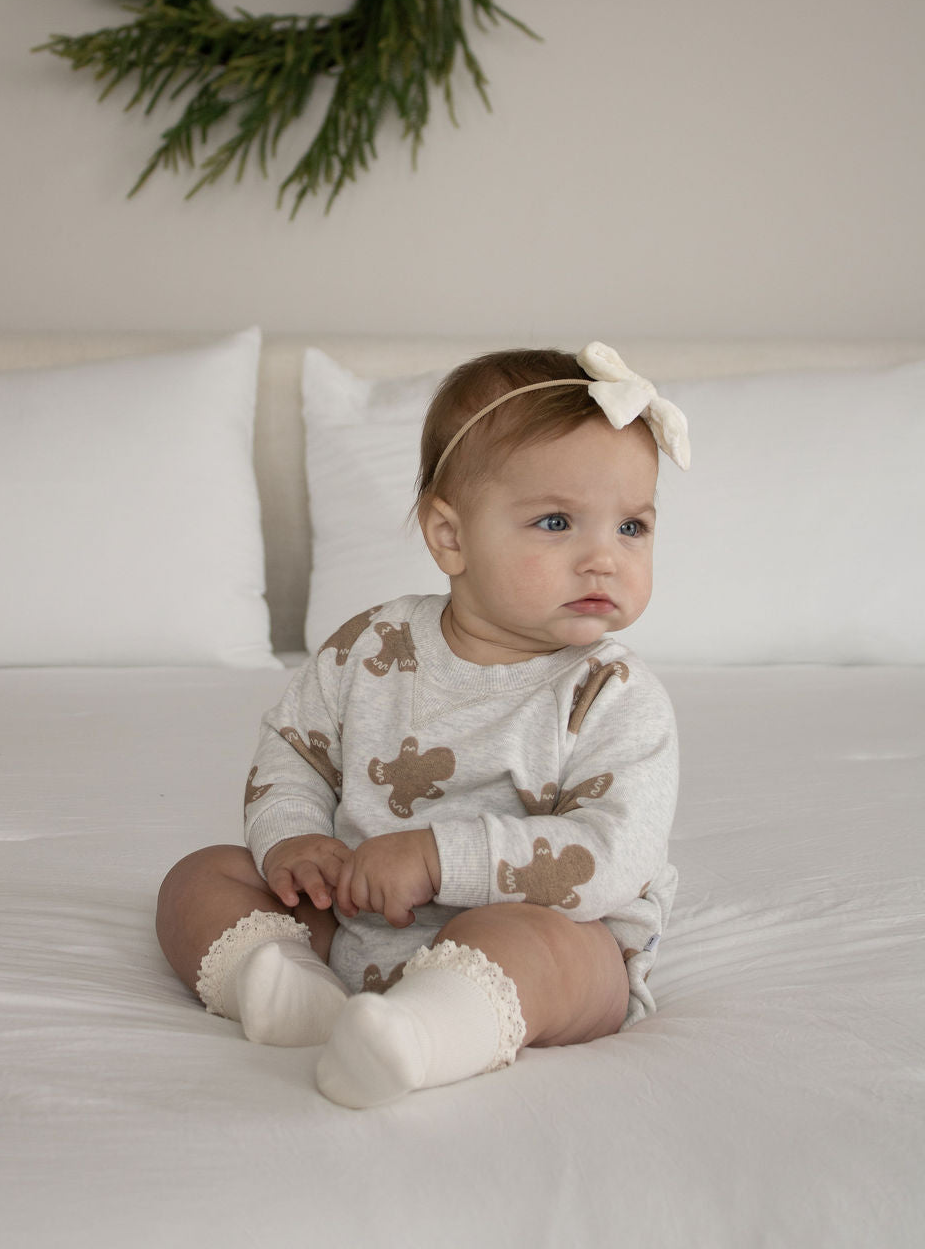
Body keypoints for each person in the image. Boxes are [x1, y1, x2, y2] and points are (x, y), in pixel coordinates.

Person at [156, 340, 689, 1108]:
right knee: (202, 878)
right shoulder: (373, 647)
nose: (603, 558)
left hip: (544, 936)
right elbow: (294, 750)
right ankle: (284, 989)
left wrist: (442, 859)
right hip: (359, 918)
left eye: (632, 527)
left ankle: (421, 1038)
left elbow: (612, 855)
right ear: (451, 537)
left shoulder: (612, 693)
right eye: (556, 521)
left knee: (545, 950)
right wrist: (295, 839)